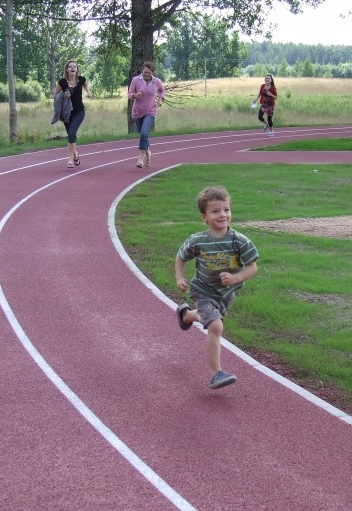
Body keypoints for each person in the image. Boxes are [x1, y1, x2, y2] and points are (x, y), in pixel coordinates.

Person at [174, 186, 259, 389]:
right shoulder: (198, 241)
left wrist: (236, 277)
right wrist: (179, 278)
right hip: (202, 290)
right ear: (204, 216)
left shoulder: (239, 241)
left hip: (226, 294)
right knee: (216, 326)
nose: (222, 215)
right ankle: (216, 373)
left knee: (209, 318)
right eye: (215, 211)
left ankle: (186, 315)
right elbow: (181, 256)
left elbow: (252, 268)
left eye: (226, 210)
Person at [128, 61, 166, 168]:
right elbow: (129, 94)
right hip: (137, 111)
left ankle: (141, 157)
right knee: (142, 135)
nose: (147, 74)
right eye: (145, 72)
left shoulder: (156, 82)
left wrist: (161, 100)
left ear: (152, 72)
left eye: (149, 73)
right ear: (142, 70)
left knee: (144, 133)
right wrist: (135, 95)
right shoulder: (136, 80)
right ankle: (148, 152)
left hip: (150, 111)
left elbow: (162, 91)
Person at [56, 60, 91, 168]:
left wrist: (88, 92)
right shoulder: (62, 82)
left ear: (77, 70)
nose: (72, 68)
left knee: (71, 134)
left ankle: (70, 160)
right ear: (67, 69)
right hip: (66, 113)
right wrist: (63, 95)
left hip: (79, 112)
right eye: (70, 66)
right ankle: (75, 153)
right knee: (71, 137)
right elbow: (55, 96)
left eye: (74, 67)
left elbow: (85, 85)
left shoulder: (81, 79)